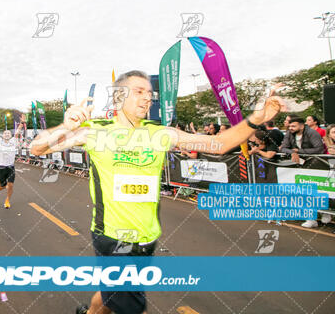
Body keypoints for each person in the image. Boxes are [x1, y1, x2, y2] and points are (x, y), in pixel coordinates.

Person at [30, 70, 284, 314]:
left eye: (149, 93)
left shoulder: (161, 134)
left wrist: (257, 118)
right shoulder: (94, 131)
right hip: (114, 237)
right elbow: (37, 149)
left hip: (148, 236)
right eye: (138, 91)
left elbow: (218, 144)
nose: (147, 97)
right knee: (131, 301)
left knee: (114, 292)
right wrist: (65, 126)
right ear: (119, 97)